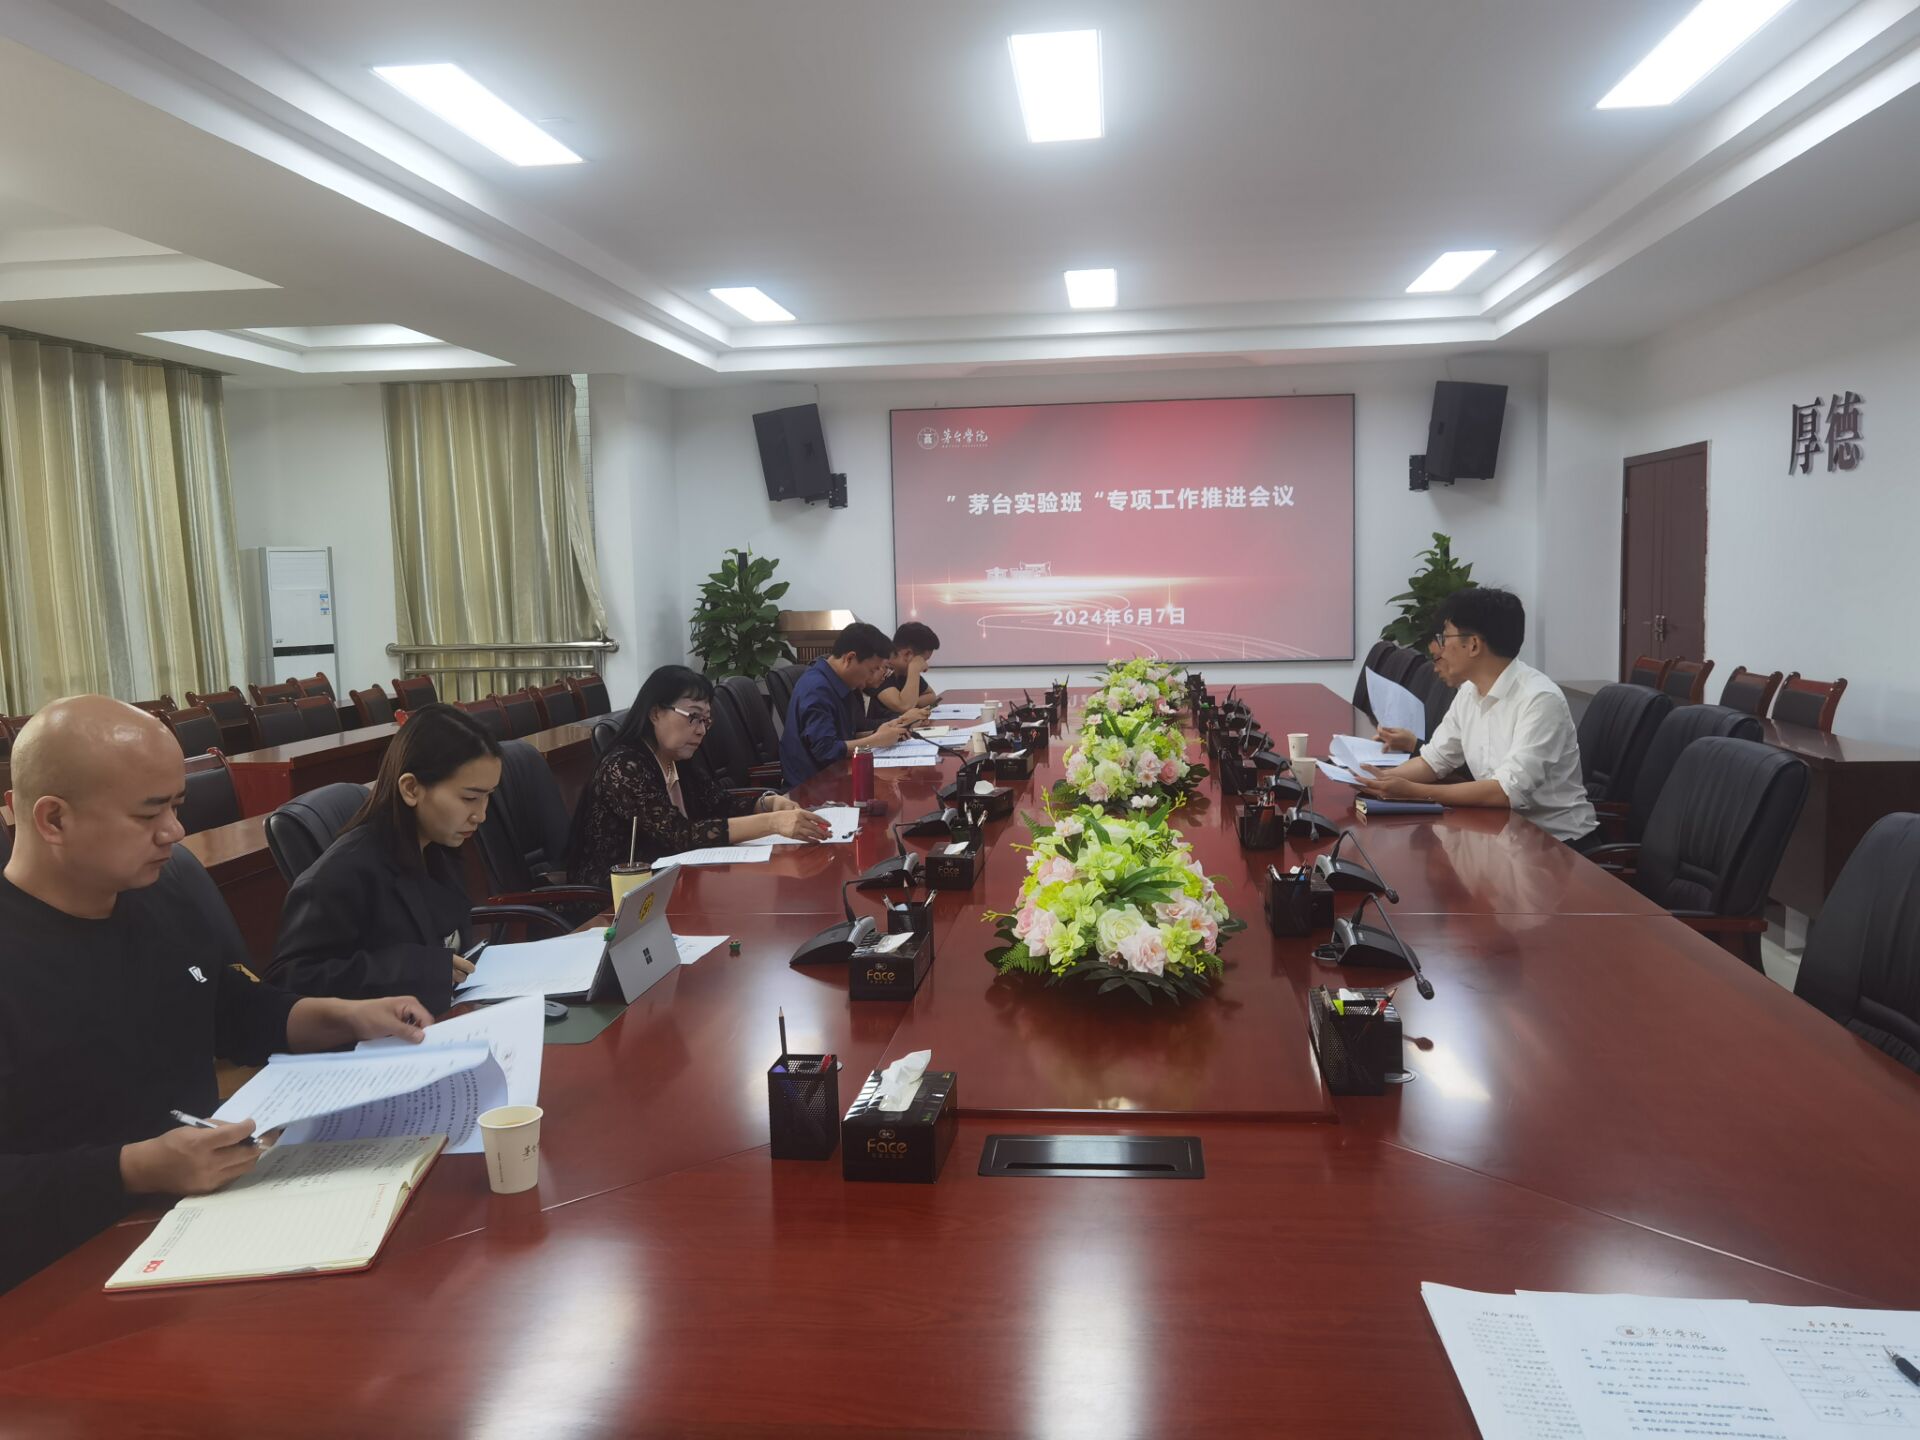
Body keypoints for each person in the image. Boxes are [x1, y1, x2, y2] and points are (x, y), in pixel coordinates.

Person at [0, 697, 429, 1295]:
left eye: (176, 806)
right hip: (64, 1266)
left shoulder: (160, 894)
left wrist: (344, 1016)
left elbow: (229, 1009)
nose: (174, 832)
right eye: (150, 813)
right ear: (53, 820)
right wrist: (134, 1168)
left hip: (205, 1217)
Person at [270, 703, 501, 1014]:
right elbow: (290, 982)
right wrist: (413, 969)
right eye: (469, 798)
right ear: (411, 789)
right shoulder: (342, 873)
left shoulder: (438, 847)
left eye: (488, 796)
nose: (481, 815)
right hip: (387, 1037)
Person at [1362, 588, 1597, 846]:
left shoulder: (1539, 699)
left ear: (1473, 644)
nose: (1441, 648)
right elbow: (1433, 761)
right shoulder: (1469, 692)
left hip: (1555, 843)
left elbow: (1504, 792)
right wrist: (1375, 781)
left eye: (1445, 637)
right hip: (1499, 830)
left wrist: (1415, 792)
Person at [568, 666, 829, 886]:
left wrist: (768, 803)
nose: (701, 730)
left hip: (668, 883)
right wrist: (772, 823)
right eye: (693, 717)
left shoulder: (676, 759)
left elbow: (719, 803)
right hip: (613, 898)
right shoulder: (624, 767)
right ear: (655, 713)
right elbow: (679, 835)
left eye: (705, 720)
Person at [779, 622, 919, 786]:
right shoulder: (817, 689)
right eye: (873, 670)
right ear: (849, 658)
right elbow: (826, 750)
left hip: (838, 776)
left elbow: (846, 736)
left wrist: (883, 730)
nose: (873, 677)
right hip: (814, 788)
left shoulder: (839, 682)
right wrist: (876, 740)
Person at [867, 621, 943, 725]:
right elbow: (904, 706)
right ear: (907, 654)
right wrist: (914, 668)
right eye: (923, 661)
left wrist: (913, 701)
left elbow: (931, 697)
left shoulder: (903, 672)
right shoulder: (880, 669)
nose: (925, 666)